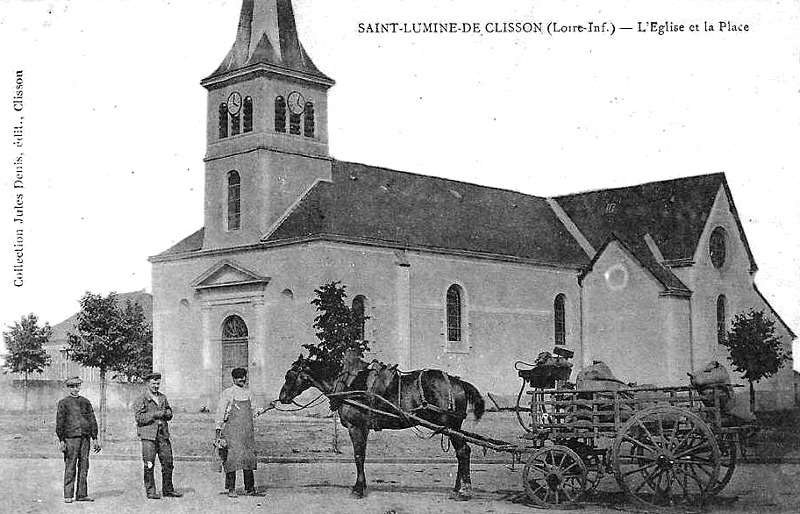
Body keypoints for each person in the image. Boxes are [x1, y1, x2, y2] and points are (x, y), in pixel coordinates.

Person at [215, 367, 271, 497]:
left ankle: (250, 488)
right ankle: (231, 489)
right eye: (240, 377)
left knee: (248, 458)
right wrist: (218, 430)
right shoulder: (228, 393)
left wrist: (267, 408)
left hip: (246, 432)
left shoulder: (249, 393)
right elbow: (220, 413)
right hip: (231, 432)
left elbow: (254, 412)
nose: (243, 379)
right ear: (234, 379)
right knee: (231, 460)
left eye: (244, 377)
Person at [132, 372, 183, 499]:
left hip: (163, 435)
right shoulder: (141, 398)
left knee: (168, 463)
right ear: (147, 383)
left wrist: (168, 413)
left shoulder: (162, 397)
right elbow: (139, 418)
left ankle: (168, 489)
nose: (156, 386)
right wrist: (156, 414)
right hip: (149, 436)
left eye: (158, 383)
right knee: (149, 464)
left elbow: (169, 411)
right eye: (153, 383)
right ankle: (150, 491)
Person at [55, 376, 101, 503]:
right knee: (70, 466)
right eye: (72, 386)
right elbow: (60, 423)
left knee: (84, 466)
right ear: (68, 387)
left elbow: (92, 420)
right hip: (71, 439)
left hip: (85, 439)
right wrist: (61, 440)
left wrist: (95, 438)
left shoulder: (85, 402)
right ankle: (68, 495)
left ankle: (81, 494)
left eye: (77, 386)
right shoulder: (63, 403)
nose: (75, 389)